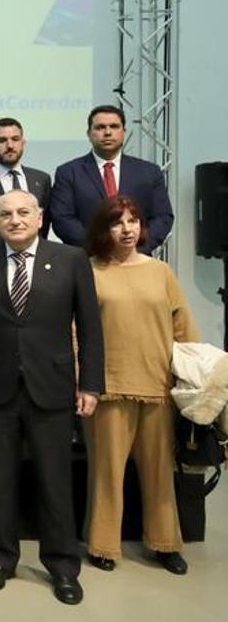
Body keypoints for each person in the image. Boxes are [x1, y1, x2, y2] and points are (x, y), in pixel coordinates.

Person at [0, 189, 103, 605]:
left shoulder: (71, 259)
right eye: (6, 214)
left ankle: (62, 565)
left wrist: (91, 385)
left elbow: (91, 327)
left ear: (40, 217)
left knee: (54, 481)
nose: (15, 219)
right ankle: (1, 559)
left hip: (53, 389)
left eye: (24, 212)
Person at [83, 195, 194, 575]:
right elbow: (75, 332)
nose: (127, 229)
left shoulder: (161, 271)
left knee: (160, 471)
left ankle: (165, 543)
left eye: (133, 220)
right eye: (118, 222)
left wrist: (191, 379)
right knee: (106, 472)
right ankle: (102, 545)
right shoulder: (90, 272)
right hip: (108, 386)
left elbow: (183, 328)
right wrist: (84, 383)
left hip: (159, 385)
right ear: (104, 229)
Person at [52, 105, 174, 254]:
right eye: (100, 127)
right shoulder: (69, 172)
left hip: (137, 259)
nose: (108, 132)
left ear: (124, 132)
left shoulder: (149, 172)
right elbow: (62, 219)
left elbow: (162, 217)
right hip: (88, 261)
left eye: (114, 126)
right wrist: (99, 250)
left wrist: (135, 249)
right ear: (89, 134)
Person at [0, 117, 52, 237]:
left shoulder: (42, 179)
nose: (10, 145)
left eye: (15, 139)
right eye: (2, 140)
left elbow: (44, 222)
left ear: (23, 144)